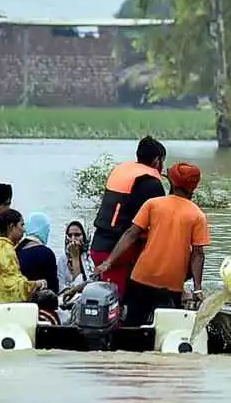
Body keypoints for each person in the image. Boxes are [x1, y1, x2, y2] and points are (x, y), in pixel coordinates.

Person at [96, 162, 209, 326]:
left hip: (142, 277)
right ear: (194, 187)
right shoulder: (198, 215)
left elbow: (130, 234)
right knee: (166, 329)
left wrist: (108, 262)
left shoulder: (153, 204)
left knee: (131, 325)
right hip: (172, 283)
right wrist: (197, 288)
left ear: (172, 183)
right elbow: (198, 255)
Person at [88, 136, 167, 298]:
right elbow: (152, 229)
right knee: (118, 304)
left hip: (98, 246)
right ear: (157, 160)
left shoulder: (121, 172)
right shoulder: (152, 183)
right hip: (119, 254)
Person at [0, 209, 44, 304]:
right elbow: (15, 288)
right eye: (21, 225)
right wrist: (37, 284)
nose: (24, 229)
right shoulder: (6, 250)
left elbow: (8, 280)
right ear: (11, 227)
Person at [16, 211, 59, 293]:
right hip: (40, 303)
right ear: (44, 230)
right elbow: (54, 288)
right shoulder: (46, 253)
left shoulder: (15, 250)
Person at [57, 220, 95, 295]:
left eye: (77, 235)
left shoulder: (91, 257)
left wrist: (75, 258)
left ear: (84, 236)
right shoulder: (63, 259)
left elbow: (85, 284)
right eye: (70, 235)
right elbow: (61, 287)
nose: (73, 239)